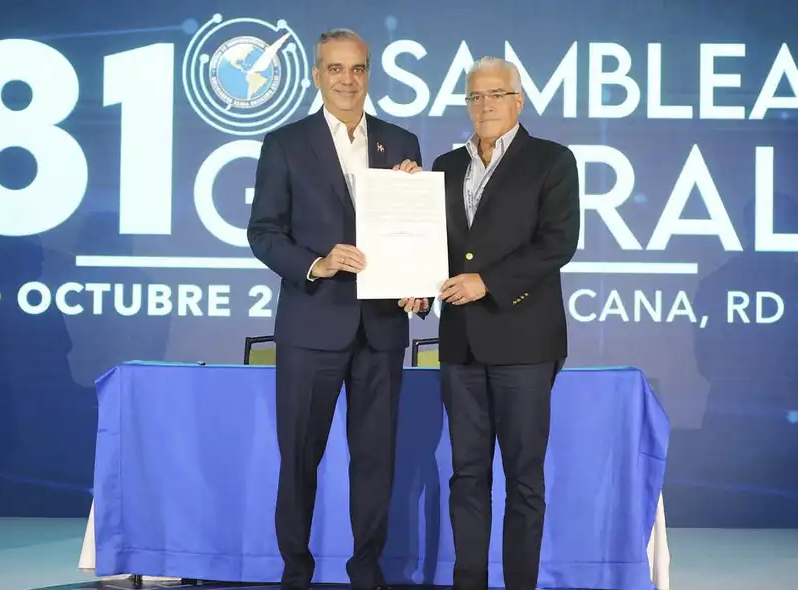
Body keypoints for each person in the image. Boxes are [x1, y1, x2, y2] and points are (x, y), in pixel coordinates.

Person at [246, 29, 429, 590]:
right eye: (335, 69)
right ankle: (295, 571)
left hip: (380, 329)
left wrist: (417, 283)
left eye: (357, 69)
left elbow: (415, 233)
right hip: (311, 325)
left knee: (375, 463)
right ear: (316, 75)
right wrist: (317, 264)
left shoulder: (402, 143)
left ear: (368, 74)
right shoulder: (284, 144)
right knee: (299, 460)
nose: (347, 79)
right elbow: (264, 233)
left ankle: (365, 572)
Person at [431, 56, 580, 590]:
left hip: (524, 342)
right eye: (475, 97)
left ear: (519, 100)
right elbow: (431, 247)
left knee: (523, 481)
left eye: (496, 94)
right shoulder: (444, 166)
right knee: (466, 477)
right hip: (460, 346)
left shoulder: (552, 161)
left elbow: (557, 243)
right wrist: (415, 281)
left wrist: (486, 282)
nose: (485, 105)